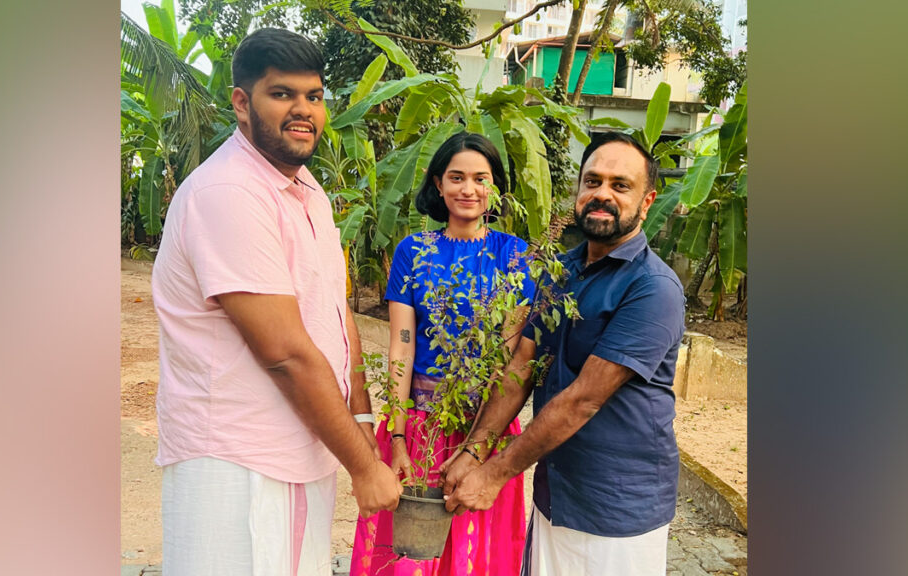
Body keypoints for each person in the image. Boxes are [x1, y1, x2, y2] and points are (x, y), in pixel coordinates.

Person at [151, 28, 401, 576]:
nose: (303, 110)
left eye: (314, 96)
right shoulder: (229, 194)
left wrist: (360, 419)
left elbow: (336, 315)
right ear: (242, 103)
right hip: (235, 463)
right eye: (282, 94)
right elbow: (285, 352)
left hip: (303, 451)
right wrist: (364, 466)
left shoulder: (306, 189)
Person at [441, 131, 686, 575]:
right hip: (554, 495)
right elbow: (522, 367)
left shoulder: (653, 288)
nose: (602, 194)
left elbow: (582, 400)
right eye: (592, 181)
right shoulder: (561, 271)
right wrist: (473, 451)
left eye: (620, 185)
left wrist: (494, 474)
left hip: (617, 511)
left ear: (647, 201)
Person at [350, 132, 533, 576]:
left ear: (495, 188)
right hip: (418, 428)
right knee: (408, 559)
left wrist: (478, 446)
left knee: (476, 558)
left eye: (479, 178)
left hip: (483, 431)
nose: (467, 189)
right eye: (456, 177)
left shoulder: (515, 256)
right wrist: (395, 436)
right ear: (438, 184)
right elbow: (401, 348)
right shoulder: (414, 252)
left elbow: (511, 359)